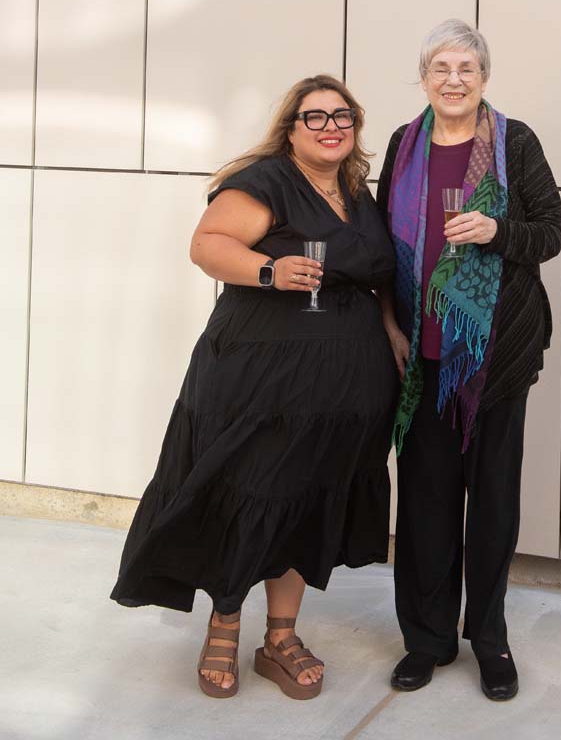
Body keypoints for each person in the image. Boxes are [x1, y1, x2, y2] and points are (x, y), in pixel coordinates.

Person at [111, 75, 398, 701]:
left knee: (306, 497)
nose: (330, 127)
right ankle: (226, 619)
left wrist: (393, 337)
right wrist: (270, 269)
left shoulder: (358, 193)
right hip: (261, 379)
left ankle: (281, 637)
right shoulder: (268, 181)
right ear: (291, 129)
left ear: (355, 126)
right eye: (314, 117)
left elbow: (374, 279)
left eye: (341, 116)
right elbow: (207, 245)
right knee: (250, 490)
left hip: (344, 387)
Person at [376, 19, 561, 702]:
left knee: (490, 506)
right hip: (422, 359)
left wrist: (495, 230)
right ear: (423, 77)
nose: (452, 80)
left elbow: (550, 232)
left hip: (493, 359)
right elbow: (378, 246)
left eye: (466, 68)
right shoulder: (404, 145)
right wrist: (390, 324)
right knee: (424, 505)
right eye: (440, 68)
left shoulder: (514, 143)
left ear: (483, 77)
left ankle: (489, 639)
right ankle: (426, 640)